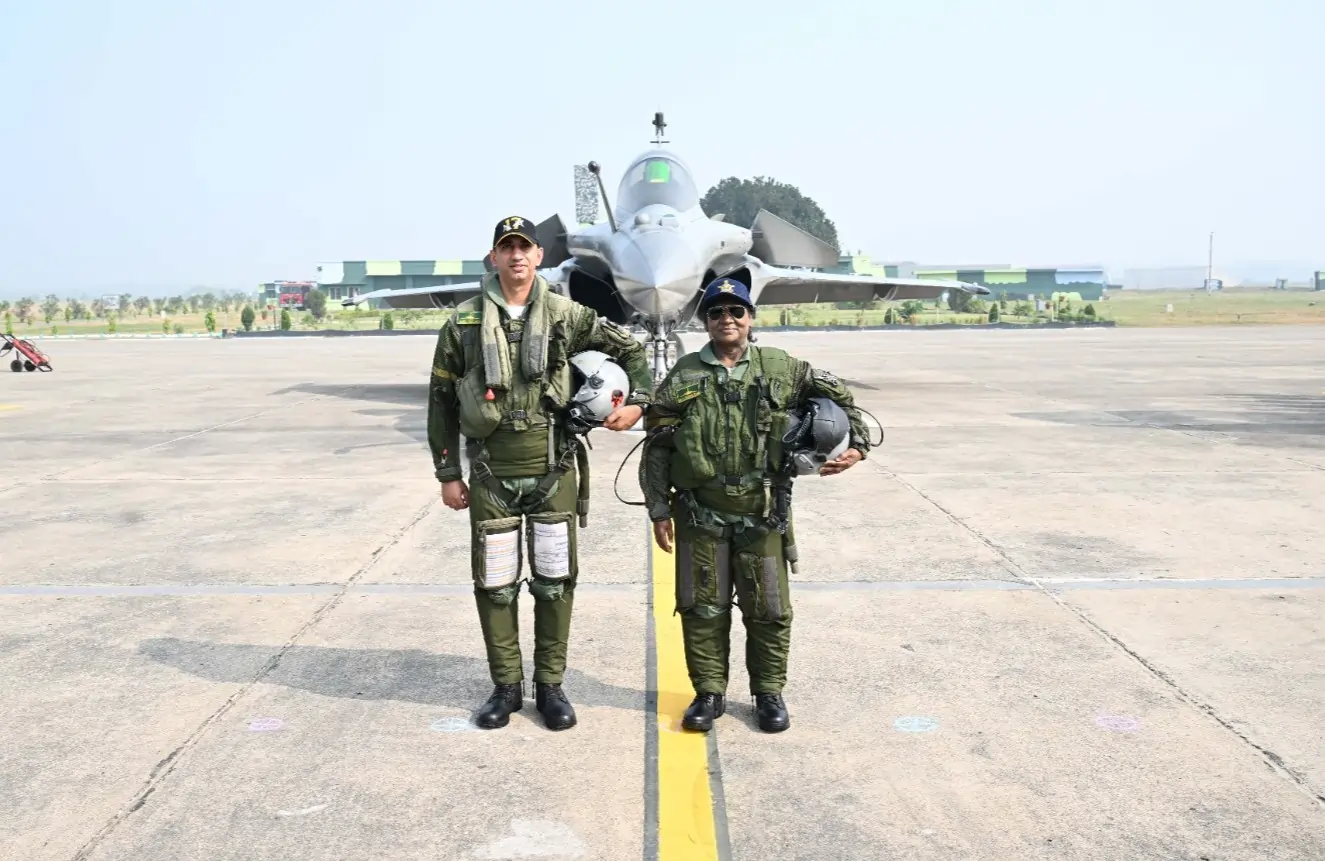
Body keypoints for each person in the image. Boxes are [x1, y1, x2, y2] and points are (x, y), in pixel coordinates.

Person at [428, 215, 653, 731]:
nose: (516, 256)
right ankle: (506, 687)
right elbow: (440, 401)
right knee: (496, 585)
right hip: (490, 474)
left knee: (554, 581)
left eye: (524, 247)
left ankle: (550, 686)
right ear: (494, 258)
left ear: (538, 256)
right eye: (506, 248)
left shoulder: (567, 316)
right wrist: (447, 473)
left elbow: (632, 351)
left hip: (553, 469)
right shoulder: (462, 324)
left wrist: (637, 404)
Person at [639, 276, 871, 733]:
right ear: (705, 321)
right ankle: (708, 693)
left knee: (768, 608)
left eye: (736, 311)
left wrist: (858, 445)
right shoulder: (684, 375)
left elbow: (842, 397)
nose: (727, 319)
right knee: (701, 606)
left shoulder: (782, 368)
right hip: (698, 512)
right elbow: (657, 445)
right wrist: (658, 509)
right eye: (716, 312)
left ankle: (768, 693)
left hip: (762, 511)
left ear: (750, 318)